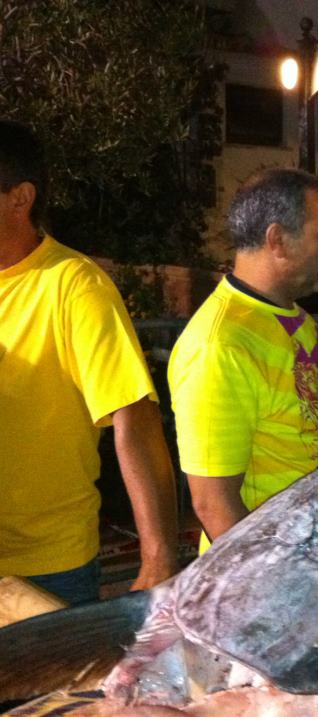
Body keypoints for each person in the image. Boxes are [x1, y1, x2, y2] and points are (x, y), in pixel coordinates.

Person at [0, 119, 178, 604]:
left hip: (46, 566)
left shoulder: (75, 286)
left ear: (20, 198)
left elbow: (133, 414)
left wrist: (159, 556)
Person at [168, 168, 318, 554]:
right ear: (278, 240)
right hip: (273, 588)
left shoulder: (300, 323)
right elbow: (214, 505)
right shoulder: (220, 346)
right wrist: (279, 590)